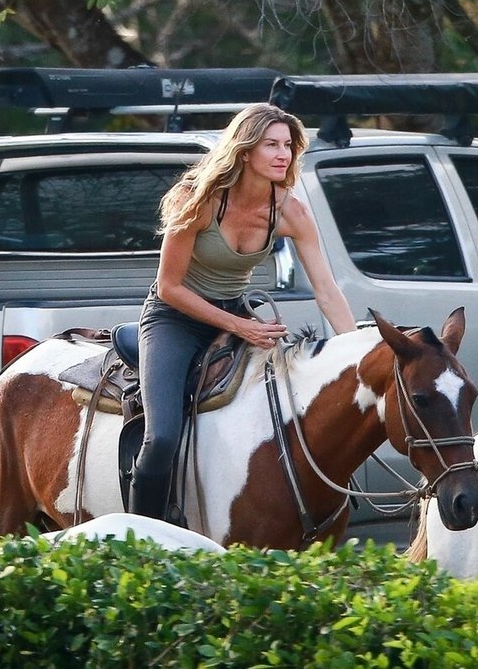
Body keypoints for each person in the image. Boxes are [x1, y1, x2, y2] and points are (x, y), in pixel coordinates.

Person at [131, 103, 357, 522]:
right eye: (271, 144)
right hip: (174, 319)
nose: (282, 155)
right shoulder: (196, 200)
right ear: (244, 150)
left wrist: (355, 347)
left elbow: (326, 290)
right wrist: (240, 326)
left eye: (288, 145)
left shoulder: (290, 211)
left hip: (237, 315)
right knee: (161, 437)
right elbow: (169, 287)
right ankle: (141, 533)